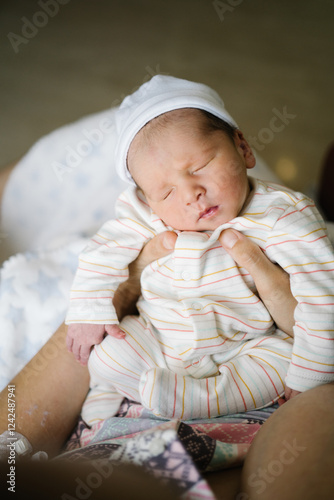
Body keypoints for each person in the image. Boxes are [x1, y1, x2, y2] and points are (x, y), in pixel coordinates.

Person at [65, 76, 334, 425]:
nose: (191, 193)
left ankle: (192, 401)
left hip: (247, 345)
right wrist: (88, 310)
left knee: (284, 364)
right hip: (163, 340)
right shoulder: (144, 214)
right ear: (147, 199)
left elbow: (322, 297)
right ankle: (119, 388)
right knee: (107, 355)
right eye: (166, 192)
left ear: (243, 147)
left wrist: (311, 375)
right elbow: (102, 252)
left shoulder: (283, 216)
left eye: (199, 167)